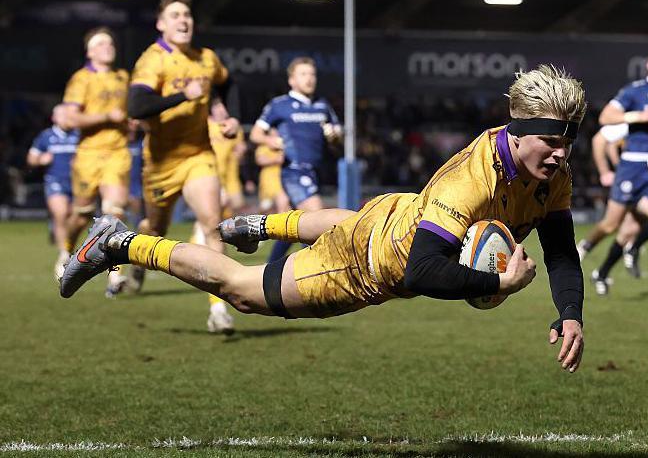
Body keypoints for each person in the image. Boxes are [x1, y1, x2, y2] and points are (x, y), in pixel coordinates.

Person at [60, 65, 586, 373]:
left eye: (568, 142)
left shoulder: (552, 173)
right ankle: (119, 244)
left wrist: (570, 313)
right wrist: (499, 282)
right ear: (518, 131)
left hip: (392, 215)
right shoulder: (470, 180)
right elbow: (422, 271)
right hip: (366, 266)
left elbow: (561, 250)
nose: (561, 154)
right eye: (551, 141)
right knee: (241, 291)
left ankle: (261, 225)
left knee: (348, 220)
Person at [125, 0, 239, 333]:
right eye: (175, 15)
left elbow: (227, 83)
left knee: (212, 223)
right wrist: (182, 96)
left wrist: (230, 116)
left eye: (187, 14)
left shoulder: (207, 58)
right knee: (155, 230)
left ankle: (218, 309)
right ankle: (138, 263)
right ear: (161, 24)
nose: (183, 20)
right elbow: (136, 106)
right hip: (161, 163)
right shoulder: (153, 59)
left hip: (198, 154)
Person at [576, 48, 648, 300]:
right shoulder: (635, 92)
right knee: (612, 225)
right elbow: (605, 118)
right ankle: (587, 246)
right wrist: (635, 116)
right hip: (633, 168)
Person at [57, 27, 132, 295]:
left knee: (115, 211)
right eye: (101, 44)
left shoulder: (123, 77)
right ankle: (66, 250)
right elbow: (70, 118)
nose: (107, 47)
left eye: (110, 43)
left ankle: (115, 276)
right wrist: (106, 117)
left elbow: (128, 112)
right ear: (89, 52)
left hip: (117, 153)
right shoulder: (81, 79)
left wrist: (131, 122)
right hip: (89, 155)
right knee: (82, 214)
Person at [250, 57, 341, 263]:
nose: (309, 79)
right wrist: (272, 141)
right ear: (291, 80)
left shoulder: (322, 105)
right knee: (316, 217)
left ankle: (270, 267)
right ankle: (310, 269)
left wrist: (335, 136)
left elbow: (337, 137)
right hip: (294, 171)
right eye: (303, 74)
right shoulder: (279, 105)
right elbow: (255, 134)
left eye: (312, 74)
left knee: (294, 224)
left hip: (316, 171)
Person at [28, 105, 79, 279]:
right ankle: (64, 253)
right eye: (62, 115)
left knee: (73, 217)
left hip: (77, 183)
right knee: (61, 213)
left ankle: (62, 238)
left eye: (68, 115)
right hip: (55, 181)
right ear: (54, 118)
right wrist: (41, 159)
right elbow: (31, 158)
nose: (66, 118)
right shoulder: (46, 136)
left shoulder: (78, 134)